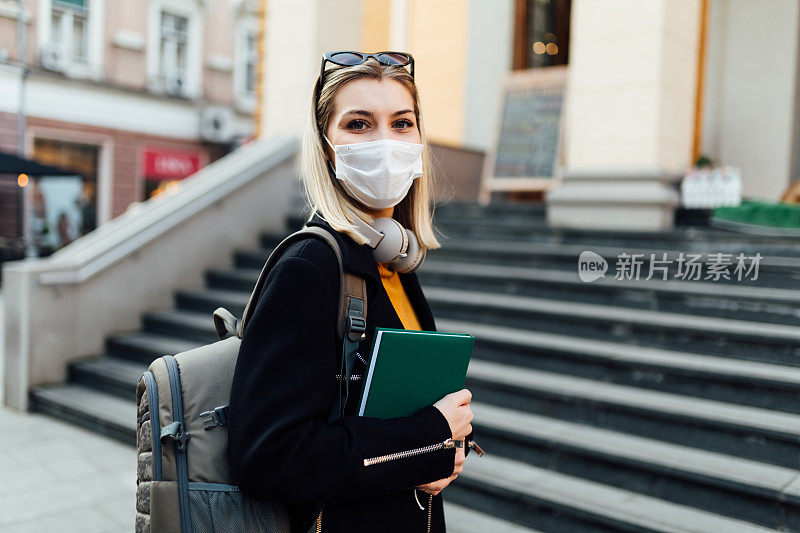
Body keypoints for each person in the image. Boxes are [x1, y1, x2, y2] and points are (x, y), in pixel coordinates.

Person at [227, 51, 476, 533]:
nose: (386, 141)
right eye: (359, 124)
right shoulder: (311, 267)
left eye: (402, 123)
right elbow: (269, 455)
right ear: (326, 147)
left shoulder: (391, 261)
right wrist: (427, 440)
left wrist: (452, 442)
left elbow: (405, 401)